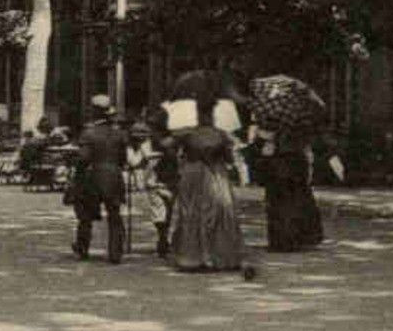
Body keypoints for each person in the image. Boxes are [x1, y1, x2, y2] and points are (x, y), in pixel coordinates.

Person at [166, 95, 246, 272]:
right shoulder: (221, 135)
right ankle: (220, 256)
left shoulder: (186, 134)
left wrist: (183, 159)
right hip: (215, 174)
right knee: (220, 212)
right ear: (213, 115)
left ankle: (192, 257)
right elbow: (229, 159)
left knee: (192, 212)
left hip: (192, 173)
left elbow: (169, 149)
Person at [70, 96, 129, 263]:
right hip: (114, 176)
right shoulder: (119, 134)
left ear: (94, 112)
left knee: (85, 216)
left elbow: (83, 158)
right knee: (115, 215)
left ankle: (83, 248)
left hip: (93, 176)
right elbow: (123, 159)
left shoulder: (88, 133)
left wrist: (77, 173)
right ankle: (115, 252)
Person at [252, 126, 325, 252]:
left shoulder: (269, 130)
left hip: (277, 168)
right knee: (295, 203)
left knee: (277, 205)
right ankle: (297, 238)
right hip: (295, 166)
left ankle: (281, 240)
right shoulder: (300, 125)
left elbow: (264, 151)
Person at [127, 120, 173, 257]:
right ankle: (163, 239)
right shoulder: (136, 147)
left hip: (167, 180)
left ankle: (164, 238)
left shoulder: (164, 143)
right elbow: (134, 163)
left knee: (165, 211)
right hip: (154, 181)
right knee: (160, 210)